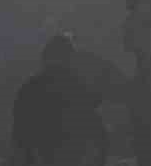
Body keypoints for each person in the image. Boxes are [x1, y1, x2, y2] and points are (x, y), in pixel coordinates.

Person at [11, 33, 109, 166]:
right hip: (72, 155)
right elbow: (97, 130)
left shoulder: (30, 88)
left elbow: (19, 134)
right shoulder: (77, 86)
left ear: (45, 58)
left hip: (43, 155)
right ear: (69, 59)